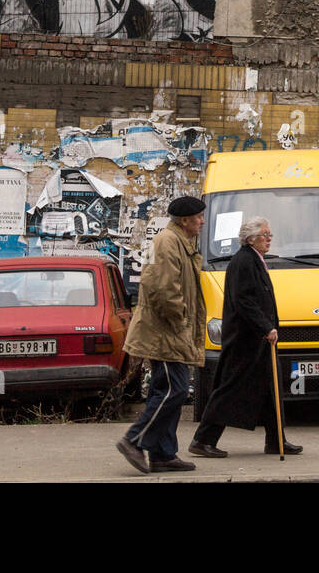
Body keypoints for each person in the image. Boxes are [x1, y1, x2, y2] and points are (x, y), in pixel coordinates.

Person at [188, 216, 302, 457]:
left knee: (271, 388)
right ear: (251, 239)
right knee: (229, 389)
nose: (269, 239)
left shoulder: (254, 260)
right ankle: (202, 440)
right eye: (265, 235)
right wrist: (265, 327)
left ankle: (276, 441)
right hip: (244, 341)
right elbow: (244, 300)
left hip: (257, 340)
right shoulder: (244, 261)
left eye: (270, 235)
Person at [116, 195, 206, 474]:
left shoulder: (178, 241)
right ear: (184, 220)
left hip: (170, 331)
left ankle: (163, 454)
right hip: (165, 332)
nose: (202, 221)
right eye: (199, 217)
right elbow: (164, 289)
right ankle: (135, 440)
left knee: (166, 390)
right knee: (174, 390)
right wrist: (180, 321)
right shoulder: (167, 242)